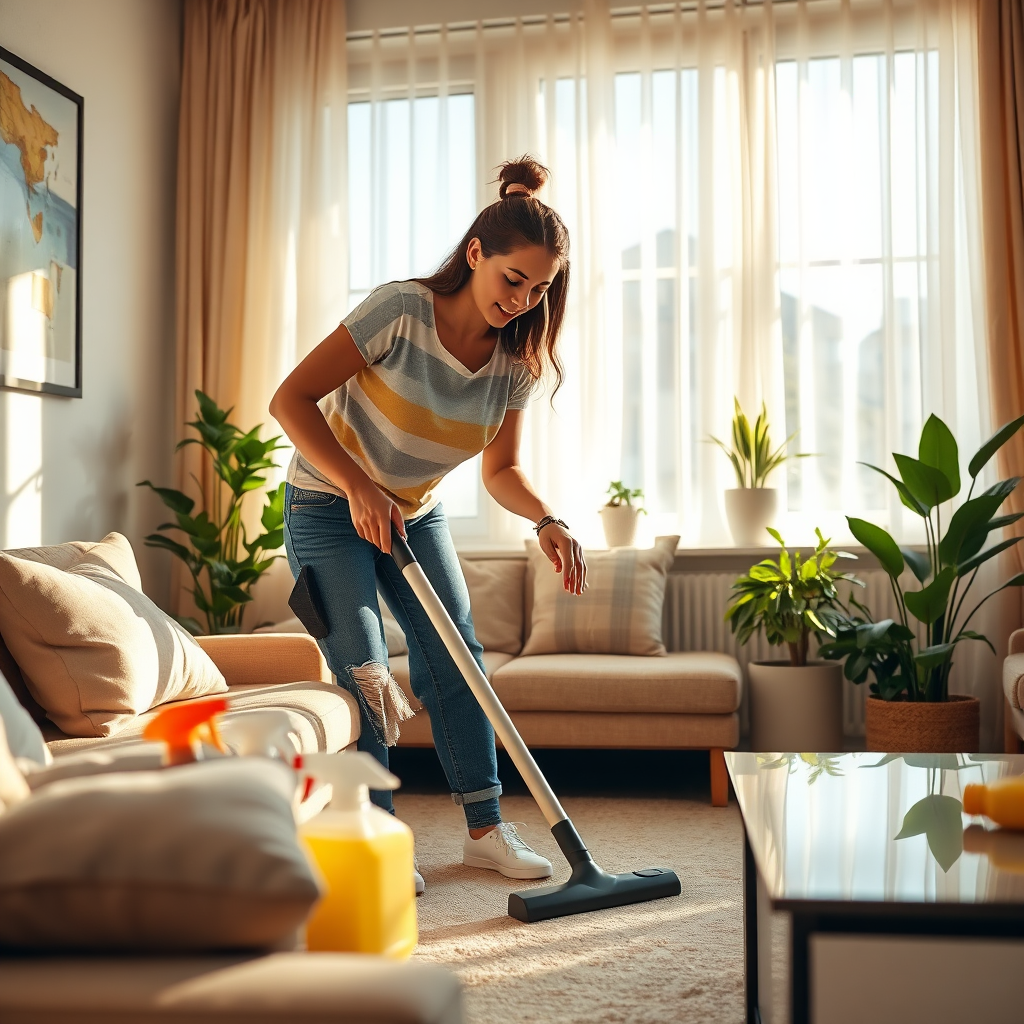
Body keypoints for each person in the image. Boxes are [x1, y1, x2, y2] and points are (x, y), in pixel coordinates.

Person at [269, 156, 587, 892]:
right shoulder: (400, 311)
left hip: (414, 515)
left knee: (459, 657)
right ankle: (376, 835)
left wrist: (547, 518)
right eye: (514, 281)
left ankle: (485, 830)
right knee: (369, 670)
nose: (523, 301)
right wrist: (356, 484)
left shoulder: (517, 361)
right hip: (326, 505)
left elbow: (500, 470)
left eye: (539, 290)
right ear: (476, 254)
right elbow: (291, 400)